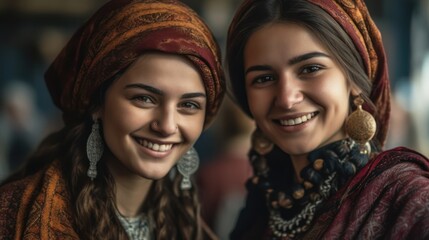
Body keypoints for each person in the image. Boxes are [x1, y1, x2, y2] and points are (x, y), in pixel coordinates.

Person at [0, 0, 225, 239]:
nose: (167, 125)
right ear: (97, 101)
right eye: (144, 99)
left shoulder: (189, 227)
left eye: (189, 105)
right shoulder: (12, 217)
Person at [225, 0, 429, 239]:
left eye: (310, 69)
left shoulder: (408, 197)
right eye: (263, 78)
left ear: (354, 79)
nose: (286, 99)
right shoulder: (264, 204)